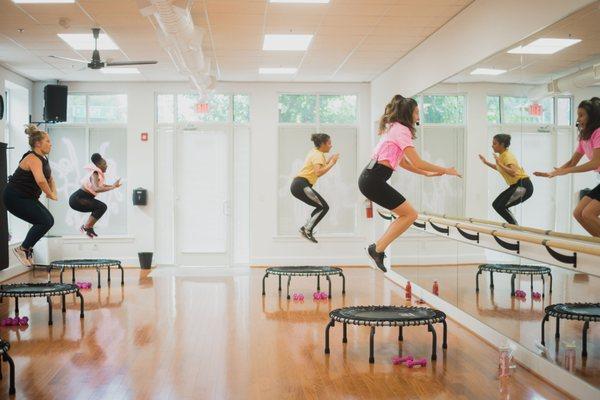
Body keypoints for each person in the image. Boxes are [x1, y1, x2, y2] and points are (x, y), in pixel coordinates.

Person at [359, 95, 461, 272]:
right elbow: (418, 161)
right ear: (408, 114)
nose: (418, 116)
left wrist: (426, 174)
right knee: (410, 215)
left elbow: (404, 162)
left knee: (407, 215)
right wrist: (445, 170)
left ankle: (377, 249)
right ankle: (376, 249)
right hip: (373, 178)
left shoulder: (394, 128)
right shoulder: (401, 130)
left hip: (371, 177)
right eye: (416, 112)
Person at [534, 97, 600, 236]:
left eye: (582, 115)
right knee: (578, 214)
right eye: (578, 115)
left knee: (588, 213)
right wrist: (554, 173)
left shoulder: (598, 133)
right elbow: (572, 162)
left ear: (592, 117)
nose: (578, 119)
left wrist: (567, 171)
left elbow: (595, 163)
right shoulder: (584, 137)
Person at [2, 124, 56, 266]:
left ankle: (26, 248)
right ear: (38, 143)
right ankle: (23, 249)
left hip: (27, 197)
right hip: (14, 197)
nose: (51, 144)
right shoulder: (32, 158)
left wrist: (54, 193)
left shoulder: (44, 159)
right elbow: (40, 180)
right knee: (44, 221)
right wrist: (49, 194)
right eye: (48, 141)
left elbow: (50, 179)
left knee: (48, 221)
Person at [290, 133, 339, 243]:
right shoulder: (318, 155)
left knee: (321, 206)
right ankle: (307, 229)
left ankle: (306, 228)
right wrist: (332, 163)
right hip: (301, 185)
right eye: (329, 143)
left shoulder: (314, 152)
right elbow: (318, 172)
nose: (331, 145)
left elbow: (317, 167)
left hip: (299, 185)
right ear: (322, 144)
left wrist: (327, 161)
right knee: (323, 207)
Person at [479, 134, 533, 225]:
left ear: (502, 144)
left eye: (495, 143)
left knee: (500, 206)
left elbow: (513, 172)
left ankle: (515, 226)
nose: (492, 145)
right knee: (496, 205)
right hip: (516, 186)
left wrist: (500, 164)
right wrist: (486, 162)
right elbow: (499, 168)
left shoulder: (507, 156)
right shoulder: (502, 155)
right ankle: (514, 225)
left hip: (523, 186)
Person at [69, 153, 121, 238]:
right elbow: (96, 188)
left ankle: (87, 228)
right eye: (104, 164)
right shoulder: (95, 173)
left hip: (82, 198)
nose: (106, 166)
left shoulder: (97, 174)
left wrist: (113, 186)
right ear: (98, 165)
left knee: (100, 207)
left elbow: (102, 186)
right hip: (78, 198)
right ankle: (87, 227)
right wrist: (112, 188)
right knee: (102, 207)